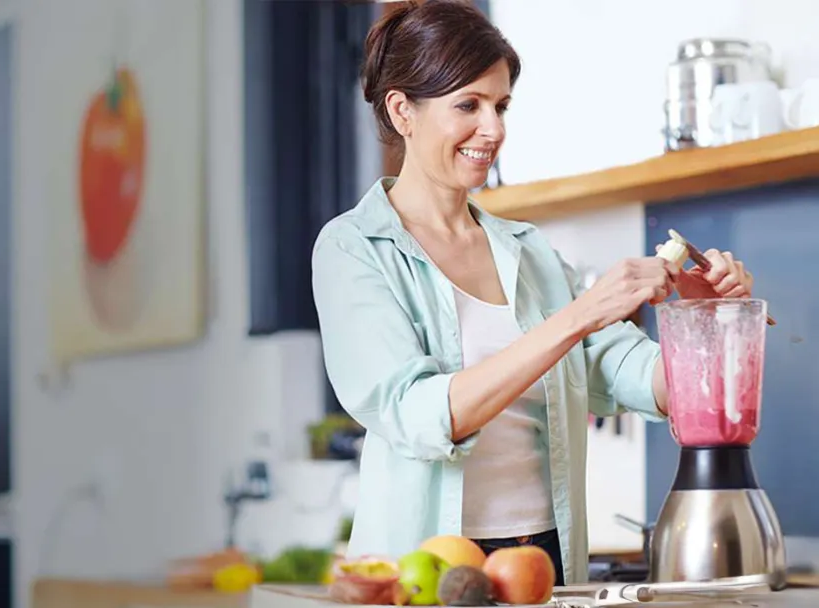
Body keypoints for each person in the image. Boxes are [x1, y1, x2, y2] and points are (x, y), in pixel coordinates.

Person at [311, 0, 756, 587]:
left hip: (542, 561)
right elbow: (416, 414)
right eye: (468, 105)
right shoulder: (353, 247)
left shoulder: (529, 251)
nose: (492, 129)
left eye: (500, 106)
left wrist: (704, 320)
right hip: (430, 566)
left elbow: (625, 371)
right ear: (403, 111)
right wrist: (580, 314)